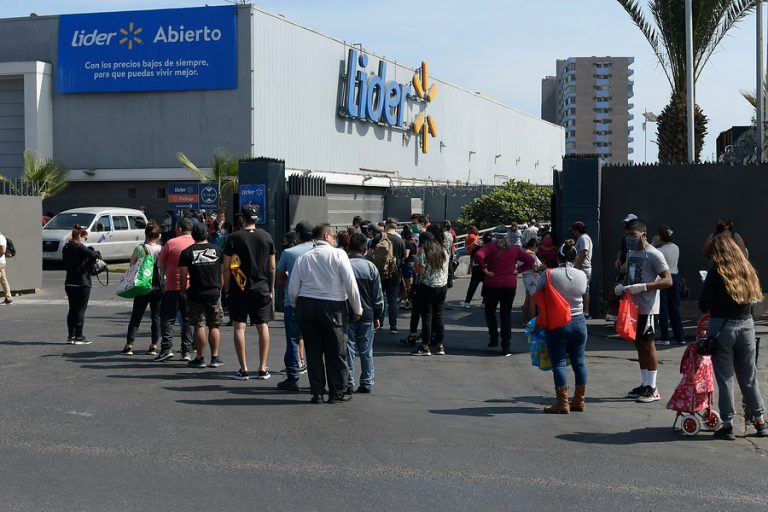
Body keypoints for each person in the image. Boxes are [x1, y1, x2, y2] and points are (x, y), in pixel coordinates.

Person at [699, 236, 766, 439]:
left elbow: (704, 304)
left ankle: (727, 424)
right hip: (746, 326)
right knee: (749, 376)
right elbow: (754, 300)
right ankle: (760, 422)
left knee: (725, 377)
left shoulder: (715, 272)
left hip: (721, 326)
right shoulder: (747, 269)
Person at [288, 224, 362, 404]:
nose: (334, 239)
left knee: (313, 350)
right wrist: (357, 308)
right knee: (336, 350)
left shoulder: (303, 258)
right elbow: (350, 283)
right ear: (327, 236)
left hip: (307, 304)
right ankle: (337, 392)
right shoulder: (338, 254)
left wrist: (295, 304)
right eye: (333, 236)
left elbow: (293, 288)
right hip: (333, 305)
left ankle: (317, 392)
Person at [614, 219, 672, 403]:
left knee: (648, 344)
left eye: (633, 234)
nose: (629, 238)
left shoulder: (654, 254)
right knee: (639, 344)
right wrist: (622, 286)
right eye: (627, 235)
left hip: (648, 307)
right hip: (633, 307)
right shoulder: (631, 252)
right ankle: (645, 384)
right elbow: (630, 276)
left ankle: (653, 388)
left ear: (643, 234)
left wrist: (645, 286)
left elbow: (668, 280)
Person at [223, 205, 276, 381]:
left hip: (239, 289)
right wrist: (271, 288)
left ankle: (244, 369)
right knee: (263, 326)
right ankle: (262, 368)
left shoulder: (234, 238)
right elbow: (272, 267)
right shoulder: (266, 236)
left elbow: (226, 267)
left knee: (239, 326)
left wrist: (227, 289)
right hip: (261, 288)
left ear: (242, 219)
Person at [536, 240, 589, 414]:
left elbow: (536, 292)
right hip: (579, 322)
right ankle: (579, 401)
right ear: (575, 257)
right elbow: (584, 292)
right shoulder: (582, 275)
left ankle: (562, 403)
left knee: (558, 363)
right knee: (579, 362)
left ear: (557, 257)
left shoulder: (549, 274)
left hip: (558, 322)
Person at [475, 225, 535, 355]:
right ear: (507, 235)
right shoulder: (514, 249)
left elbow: (479, 255)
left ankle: (493, 337)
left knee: (490, 311)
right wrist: (518, 270)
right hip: (509, 285)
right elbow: (530, 260)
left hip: (492, 284)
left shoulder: (489, 247)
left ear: (495, 235)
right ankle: (506, 345)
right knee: (505, 315)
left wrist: (485, 270)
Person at [275, 221, 315, 392]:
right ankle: (317, 379)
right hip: (315, 300)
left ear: (298, 235)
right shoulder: (319, 250)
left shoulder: (289, 253)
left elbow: (280, 278)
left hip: (293, 301)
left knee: (292, 339)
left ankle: (292, 377)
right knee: (315, 340)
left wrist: (288, 282)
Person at [179, 223, 224, 369]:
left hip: (196, 293)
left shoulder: (187, 252)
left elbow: (183, 275)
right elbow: (221, 273)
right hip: (214, 292)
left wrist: (183, 291)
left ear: (193, 235)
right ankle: (215, 357)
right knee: (214, 325)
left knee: (200, 325)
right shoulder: (217, 250)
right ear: (207, 234)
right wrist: (220, 289)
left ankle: (200, 358)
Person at [346, 233, 385, 393]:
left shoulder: (343, 265)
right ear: (365, 249)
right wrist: (377, 316)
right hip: (367, 314)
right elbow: (378, 297)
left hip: (346, 314)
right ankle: (367, 381)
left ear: (349, 247)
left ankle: (348, 381)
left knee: (348, 349)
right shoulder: (371, 267)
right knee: (366, 350)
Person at [155, 218, 195, 362]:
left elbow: (161, 263)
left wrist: (164, 276)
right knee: (188, 319)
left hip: (172, 286)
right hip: (190, 287)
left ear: (179, 229)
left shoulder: (171, 243)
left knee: (168, 318)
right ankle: (186, 351)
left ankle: (166, 349)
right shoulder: (196, 242)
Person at [122, 221, 163, 356]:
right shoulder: (161, 249)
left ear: (146, 234)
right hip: (157, 286)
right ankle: (154, 345)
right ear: (158, 236)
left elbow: (132, 265)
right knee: (156, 317)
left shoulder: (140, 248)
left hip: (142, 286)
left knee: (136, 316)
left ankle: (129, 345)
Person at [410, 224, 450, 356]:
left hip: (427, 287)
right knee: (438, 316)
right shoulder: (443, 250)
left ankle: (425, 346)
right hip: (442, 287)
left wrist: (416, 261)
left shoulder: (425, 252)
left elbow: (420, 271)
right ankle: (440, 345)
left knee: (427, 317)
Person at [62, 224, 100, 344]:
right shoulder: (79, 247)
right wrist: (96, 252)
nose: (85, 241)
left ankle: (71, 336)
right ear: (80, 236)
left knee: (72, 309)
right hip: (82, 282)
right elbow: (93, 255)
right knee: (80, 309)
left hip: (69, 282)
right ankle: (79, 336)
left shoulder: (66, 247)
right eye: (85, 238)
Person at [369, 222, 405, 334]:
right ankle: (393, 326)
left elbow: (370, 253)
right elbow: (403, 257)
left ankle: (378, 323)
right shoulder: (400, 240)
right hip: (394, 274)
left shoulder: (379, 237)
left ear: (386, 227)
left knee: (380, 299)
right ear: (396, 228)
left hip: (379, 273)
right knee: (392, 301)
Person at [655, 225, 685, 345]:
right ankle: (680, 337)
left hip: (664, 277)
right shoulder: (676, 247)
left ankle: (665, 337)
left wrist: (653, 244)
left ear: (660, 237)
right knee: (675, 308)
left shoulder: (660, 251)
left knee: (663, 308)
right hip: (675, 277)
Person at [462, 231, 491, 308]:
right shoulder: (491, 248)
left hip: (476, 267)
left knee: (472, 286)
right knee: (486, 286)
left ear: (483, 239)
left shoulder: (476, 247)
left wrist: (471, 267)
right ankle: (484, 302)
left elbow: (472, 258)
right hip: (486, 268)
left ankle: (467, 302)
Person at [571, 221, 593, 318]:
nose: (573, 233)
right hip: (583, 268)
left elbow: (584, 253)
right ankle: (585, 312)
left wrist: (576, 266)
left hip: (583, 268)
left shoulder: (583, 238)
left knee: (584, 290)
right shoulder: (583, 238)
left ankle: (585, 313)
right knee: (584, 290)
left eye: (574, 230)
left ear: (577, 230)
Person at [400, 227, 417, 301]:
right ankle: (412, 296)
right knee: (412, 282)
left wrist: (402, 259)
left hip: (408, 264)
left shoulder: (407, 244)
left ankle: (410, 298)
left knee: (408, 283)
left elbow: (406, 255)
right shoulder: (413, 243)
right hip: (414, 263)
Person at [0, 229, 12, 305]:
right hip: (1, 262)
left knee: (3, 279)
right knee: (3, 279)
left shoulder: (0, 237)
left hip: (0, 262)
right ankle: (8, 298)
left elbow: (3, 250)